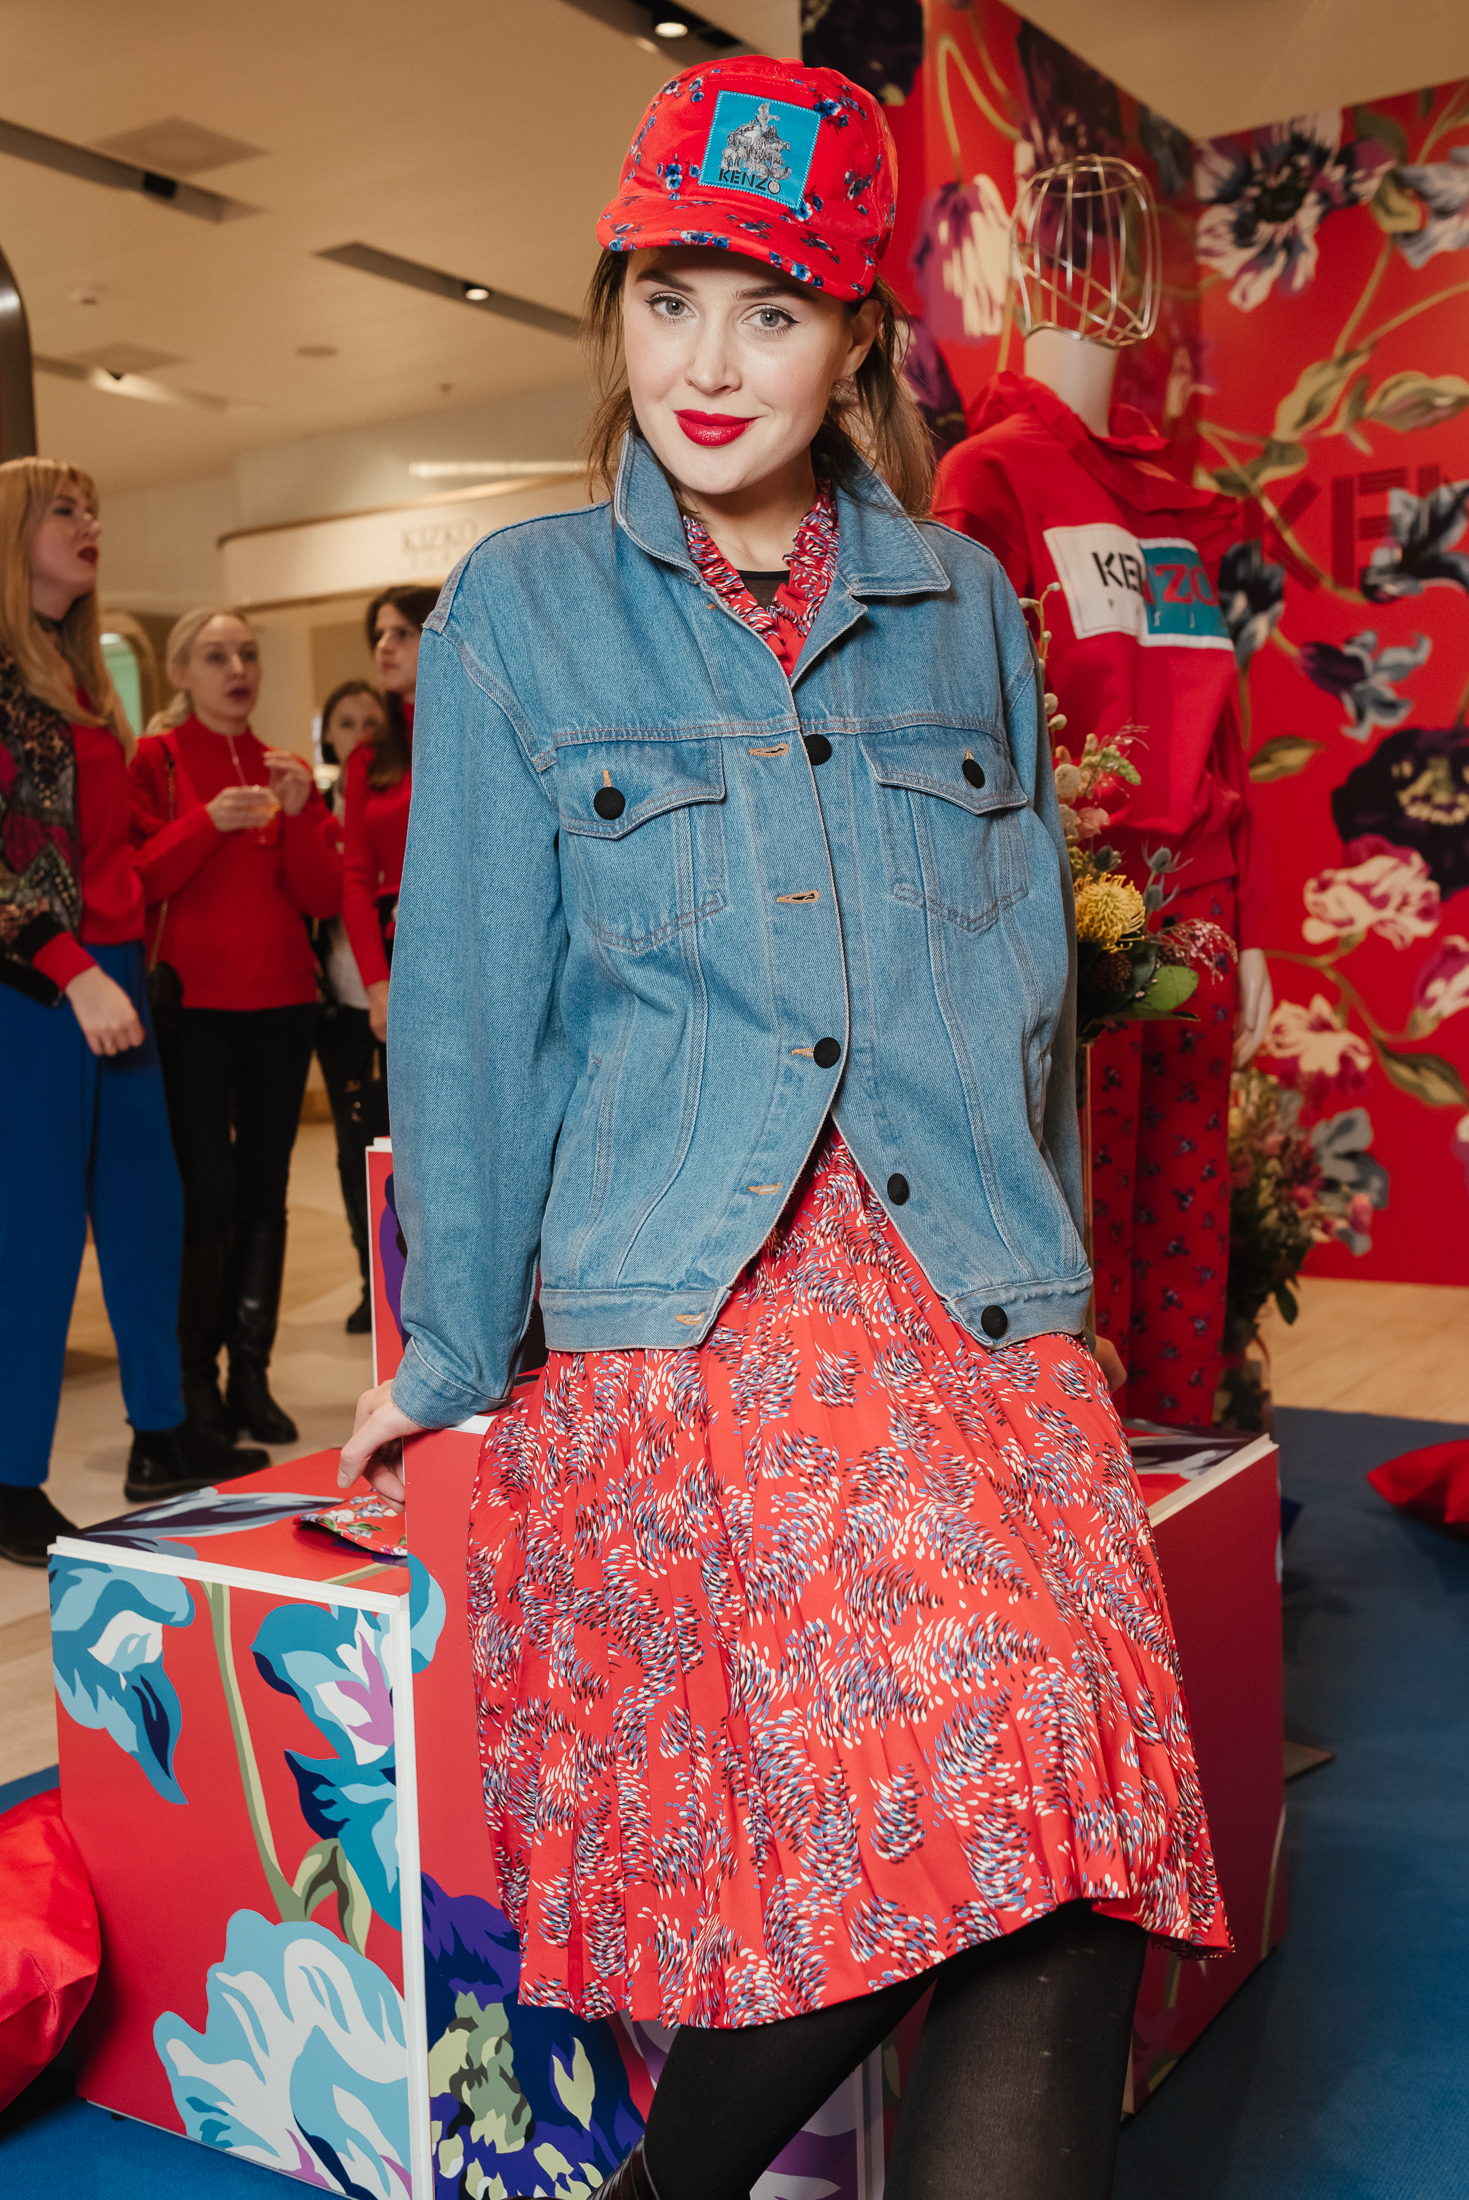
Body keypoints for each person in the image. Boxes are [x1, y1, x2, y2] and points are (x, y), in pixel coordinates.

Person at [340, 59, 1227, 2200]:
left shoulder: (959, 606)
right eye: (665, 301)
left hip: (961, 1303)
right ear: (613, 312)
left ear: (854, 346)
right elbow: (465, 1020)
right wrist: (444, 1354)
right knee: (1018, 1774)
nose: (706, 365)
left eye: (767, 309)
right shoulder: (521, 608)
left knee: (1084, 1820)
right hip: (690, 1320)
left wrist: (1050, 1305)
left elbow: (1020, 991)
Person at [0, 461, 263, 1567]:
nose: (89, 523)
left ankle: (163, 1431)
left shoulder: (76, 674)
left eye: (91, 507)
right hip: (36, 988)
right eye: (63, 509)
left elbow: (112, 855)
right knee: (35, 1236)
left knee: (147, 1214)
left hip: (113, 975)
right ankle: (8, 1477)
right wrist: (70, 968)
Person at [130, 608, 341, 1447]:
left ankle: (250, 1374)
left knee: (264, 1192)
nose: (237, 668)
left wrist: (299, 815)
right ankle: (196, 1383)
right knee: (205, 1196)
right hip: (193, 1009)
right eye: (216, 656)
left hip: (282, 1006)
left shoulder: (284, 766)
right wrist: (205, 822)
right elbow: (139, 879)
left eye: (248, 653)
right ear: (181, 672)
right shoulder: (156, 760)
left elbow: (320, 896)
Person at [313, 678, 387, 1333]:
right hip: (337, 1001)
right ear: (328, 736)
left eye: (371, 721)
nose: (360, 733)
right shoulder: (311, 803)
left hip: (387, 989)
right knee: (350, 1148)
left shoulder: (391, 791)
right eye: (346, 723)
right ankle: (370, 1281)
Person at [342, 586, 437, 1048]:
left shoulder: (482, 737)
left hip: (477, 936)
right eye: (378, 635)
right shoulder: (368, 758)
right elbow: (355, 876)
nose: (384, 646)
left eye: (402, 633)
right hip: (398, 944)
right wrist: (376, 986)